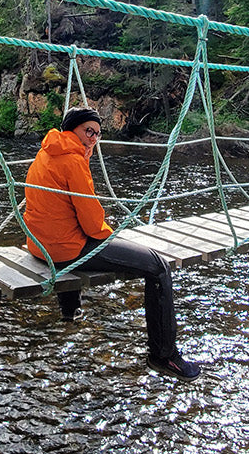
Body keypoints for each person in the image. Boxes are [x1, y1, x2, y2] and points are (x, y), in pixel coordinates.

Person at [23, 106, 203, 380]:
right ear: (73, 129)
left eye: (97, 134)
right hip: (66, 251)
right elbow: (93, 224)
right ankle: (164, 356)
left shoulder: (45, 153)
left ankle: (69, 316)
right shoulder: (73, 162)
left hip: (40, 246)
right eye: (88, 131)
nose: (93, 138)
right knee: (159, 267)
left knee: (71, 232)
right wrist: (113, 239)